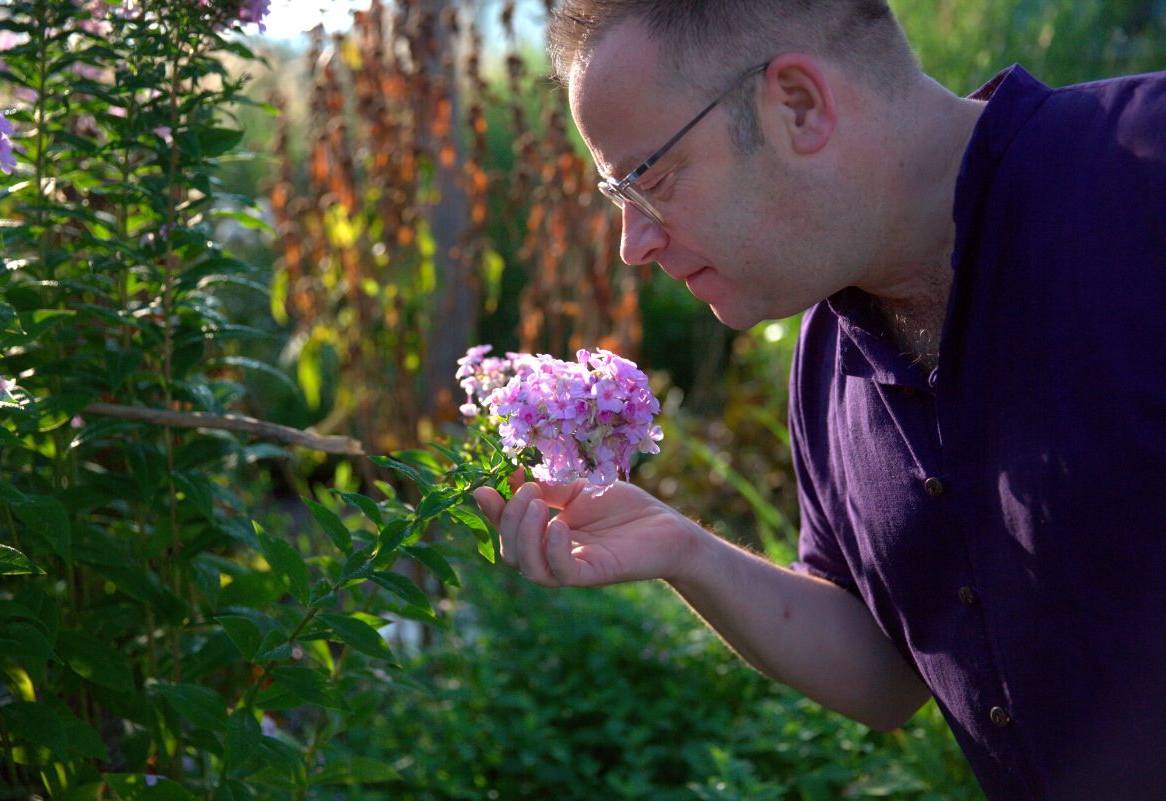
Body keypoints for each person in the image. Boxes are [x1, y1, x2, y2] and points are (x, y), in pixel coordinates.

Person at [472, 2, 1166, 799]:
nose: (633, 244)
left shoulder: (1146, 177)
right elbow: (889, 674)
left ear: (798, 105)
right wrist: (682, 551)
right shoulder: (827, 361)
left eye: (651, 180)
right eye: (615, 195)